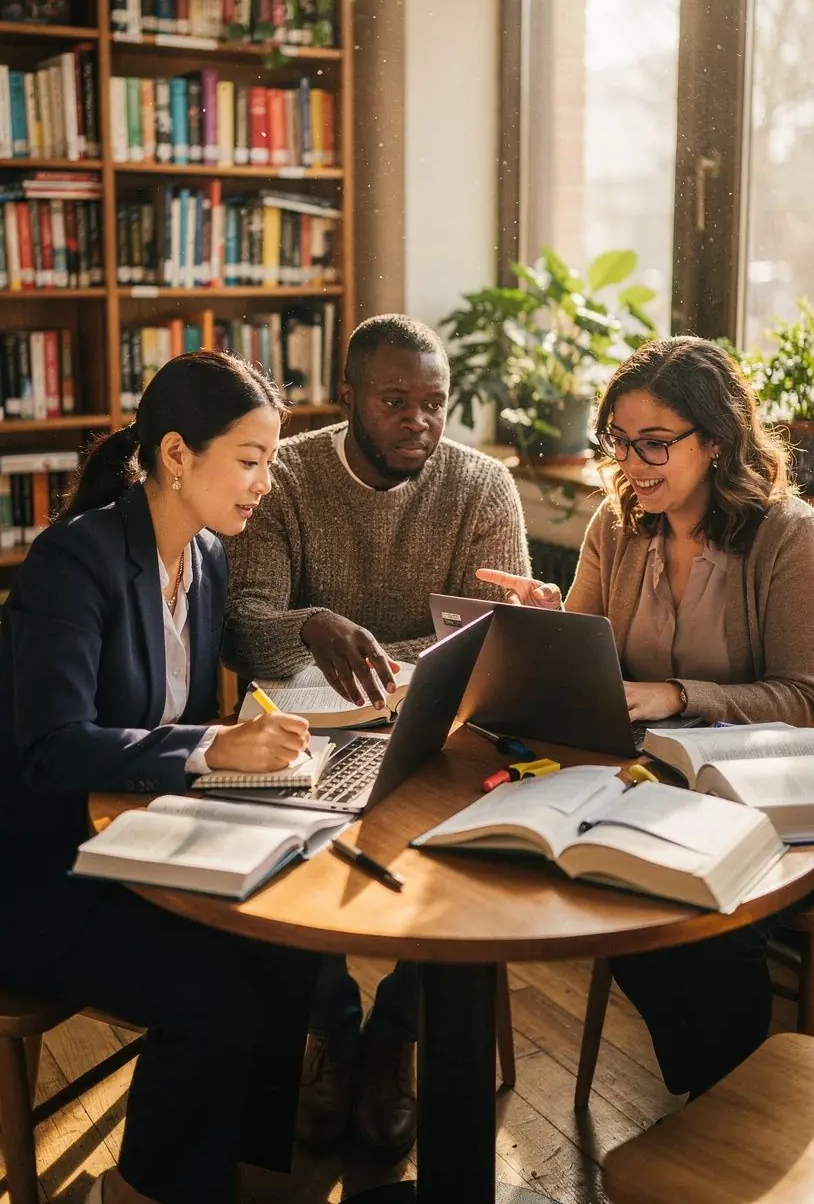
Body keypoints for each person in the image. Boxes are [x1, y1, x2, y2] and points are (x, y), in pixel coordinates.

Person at [0, 351, 319, 1204]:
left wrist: (239, 741)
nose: (264, 482)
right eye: (248, 461)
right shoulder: (76, 562)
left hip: (137, 840)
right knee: (215, 999)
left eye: (270, 461)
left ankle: (244, 1175)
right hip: (43, 874)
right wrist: (215, 751)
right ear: (176, 455)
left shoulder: (206, 557)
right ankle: (143, 1192)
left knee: (293, 957)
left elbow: (165, 715)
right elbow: (54, 750)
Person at [222, 312, 530, 1157]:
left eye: (435, 403)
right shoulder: (282, 475)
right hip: (302, 725)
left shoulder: (481, 485)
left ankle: (397, 1036)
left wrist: (379, 651)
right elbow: (243, 628)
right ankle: (330, 1032)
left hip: (446, 728)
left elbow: (496, 637)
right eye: (395, 401)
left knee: (469, 854)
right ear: (348, 396)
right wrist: (314, 624)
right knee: (284, 846)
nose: (419, 422)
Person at [479, 334, 814, 1102]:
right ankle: (711, 1113)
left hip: (761, 802)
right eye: (621, 443)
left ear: (719, 442)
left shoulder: (788, 534)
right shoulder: (618, 524)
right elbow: (591, 672)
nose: (632, 465)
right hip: (647, 785)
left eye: (656, 444)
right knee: (606, 902)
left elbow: (806, 697)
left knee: (715, 938)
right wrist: (548, 624)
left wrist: (677, 693)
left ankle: (720, 1121)